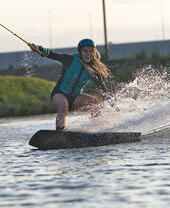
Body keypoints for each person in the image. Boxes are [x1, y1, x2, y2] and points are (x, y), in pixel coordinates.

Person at [30, 39, 110, 130]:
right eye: (85, 51)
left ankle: (96, 130)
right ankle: (60, 130)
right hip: (59, 94)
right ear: (80, 52)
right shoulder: (70, 59)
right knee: (64, 106)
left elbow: (102, 86)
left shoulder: (94, 69)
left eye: (91, 51)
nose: (88, 54)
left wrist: (109, 99)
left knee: (94, 103)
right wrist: (39, 49)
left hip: (75, 98)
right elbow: (53, 54)